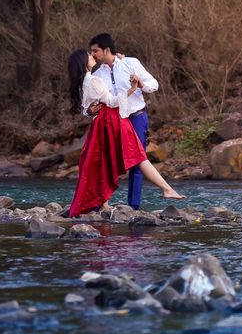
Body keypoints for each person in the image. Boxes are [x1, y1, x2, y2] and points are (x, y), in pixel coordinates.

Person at [67, 49, 183, 217]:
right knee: (138, 155)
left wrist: (91, 110)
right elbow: (113, 103)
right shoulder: (94, 80)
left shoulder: (82, 83)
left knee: (102, 161)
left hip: (101, 123)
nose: (92, 57)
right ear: (84, 63)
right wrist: (131, 89)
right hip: (113, 120)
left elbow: (87, 108)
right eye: (89, 56)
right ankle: (166, 188)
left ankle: (103, 202)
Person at [88, 33, 157, 210]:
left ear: (107, 50)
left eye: (95, 51)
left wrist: (140, 84)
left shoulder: (130, 63)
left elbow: (154, 84)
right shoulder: (97, 74)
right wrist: (90, 111)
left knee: (137, 161)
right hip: (113, 122)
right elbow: (94, 102)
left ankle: (133, 207)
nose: (93, 54)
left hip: (136, 117)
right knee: (107, 161)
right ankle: (100, 204)